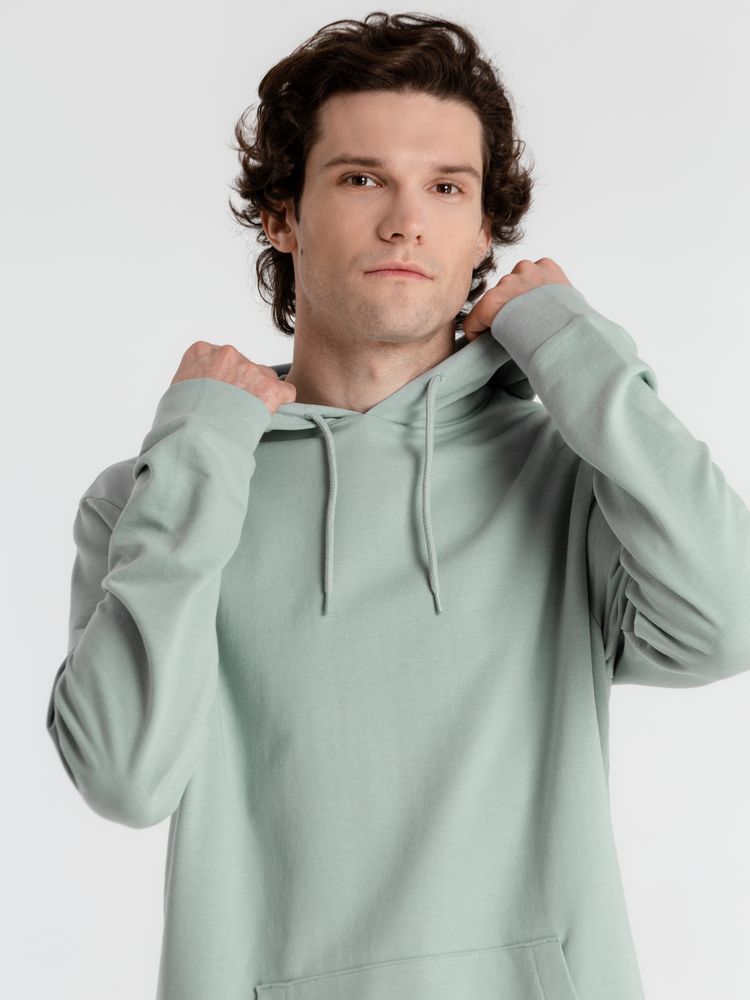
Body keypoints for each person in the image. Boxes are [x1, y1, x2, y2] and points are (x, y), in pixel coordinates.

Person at [45, 11, 750, 1000]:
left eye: (447, 187)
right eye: (362, 178)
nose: (407, 221)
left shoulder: (568, 479)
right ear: (282, 216)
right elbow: (124, 775)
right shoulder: (163, 494)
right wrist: (199, 459)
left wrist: (572, 347)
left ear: (484, 232)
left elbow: (726, 621)